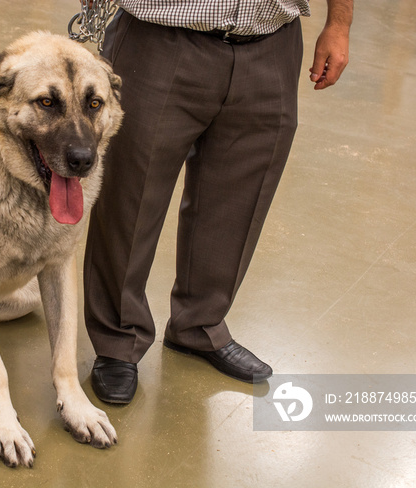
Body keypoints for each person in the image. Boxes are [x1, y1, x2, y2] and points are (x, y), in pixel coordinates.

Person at [84, 0, 353, 404]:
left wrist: (339, 23)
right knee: (131, 197)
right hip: (159, 36)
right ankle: (118, 340)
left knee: (240, 195)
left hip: (271, 41)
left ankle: (200, 325)